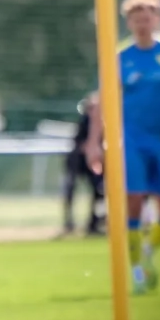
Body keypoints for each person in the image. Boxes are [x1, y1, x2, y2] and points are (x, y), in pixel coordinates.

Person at [85, 0, 160, 294]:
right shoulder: (119, 56)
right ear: (129, 23)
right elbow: (101, 102)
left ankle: (147, 250)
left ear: (157, 20)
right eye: (137, 19)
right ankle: (137, 269)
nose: (142, 24)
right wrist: (94, 142)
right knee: (132, 203)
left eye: (147, 18)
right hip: (130, 140)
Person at [62, 93, 105, 235]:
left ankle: (94, 222)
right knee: (70, 189)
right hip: (78, 161)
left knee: (99, 191)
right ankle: (69, 222)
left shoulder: (103, 122)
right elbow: (78, 142)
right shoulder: (84, 121)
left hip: (94, 163)